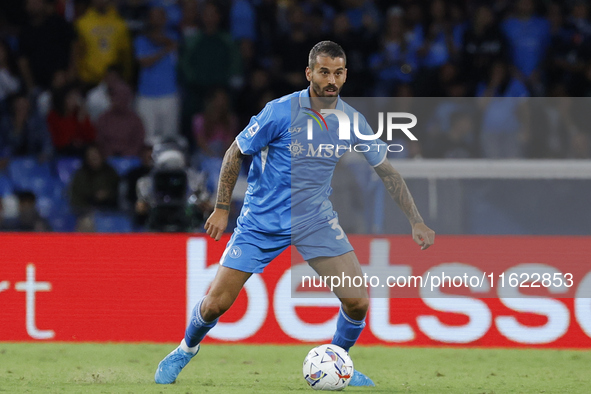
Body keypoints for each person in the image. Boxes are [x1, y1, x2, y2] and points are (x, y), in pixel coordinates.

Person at [154, 41, 435, 386]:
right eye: (324, 72)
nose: (331, 80)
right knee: (215, 305)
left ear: (345, 75)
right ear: (309, 73)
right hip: (260, 223)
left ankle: (339, 362)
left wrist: (415, 219)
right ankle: (184, 350)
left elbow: (387, 171)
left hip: (314, 222)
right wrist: (222, 208)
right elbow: (234, 152)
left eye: (338, 72)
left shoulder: (351, 120)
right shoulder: (280, 111)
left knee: (358, 302)